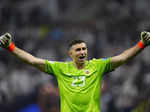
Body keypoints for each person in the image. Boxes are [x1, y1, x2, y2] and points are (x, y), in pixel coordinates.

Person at [0, 31, 150, 112]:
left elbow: (123, 57)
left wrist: (142, 44)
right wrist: (11, 47)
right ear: (70, 54)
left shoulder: (97, 65)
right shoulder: (61, 68)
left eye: (84, 48)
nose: (82, 52)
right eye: (78, 50)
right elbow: (32, 60)